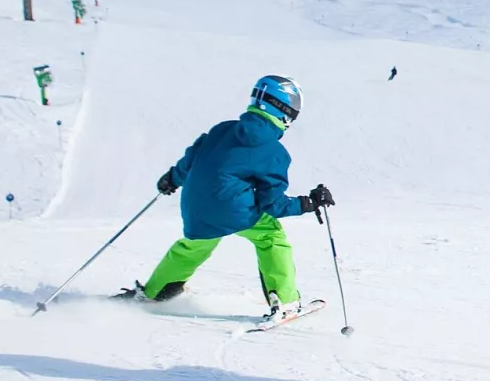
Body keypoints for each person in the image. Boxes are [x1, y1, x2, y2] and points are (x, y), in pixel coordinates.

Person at [117, 75, 333, 320]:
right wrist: (309, 203)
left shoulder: (222, 129)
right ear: (285, 111)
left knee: (193, 246)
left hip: (195, 206)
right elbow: (272, 205)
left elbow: (192, 160)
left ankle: (154, 293)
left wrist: (172, 179)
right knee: (271, 237)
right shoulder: (273, 152)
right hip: (233, 210)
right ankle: (285, 302)